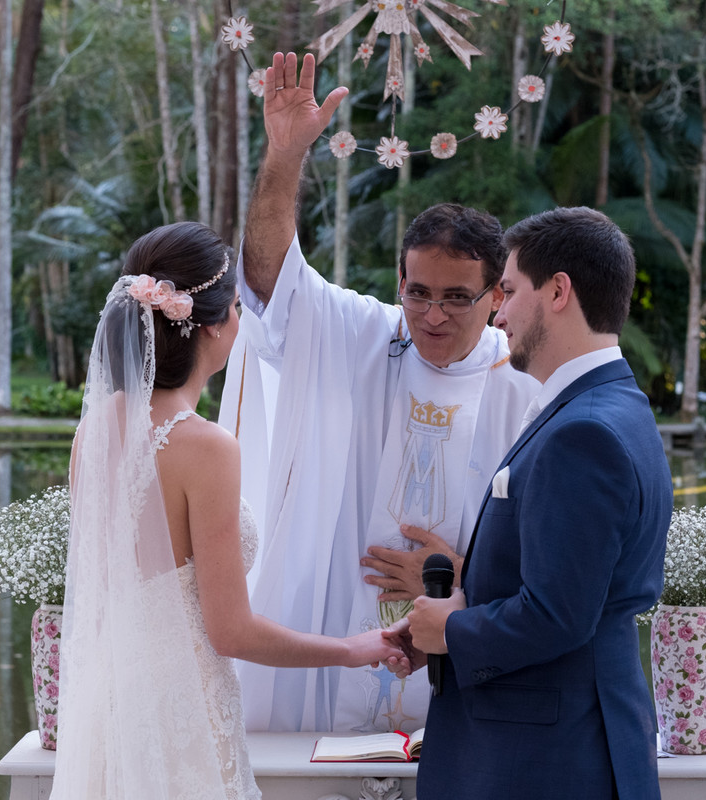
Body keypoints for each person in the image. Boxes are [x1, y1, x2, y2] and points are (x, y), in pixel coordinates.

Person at [219, 52, 539, 734]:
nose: (432, 315)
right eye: (418, 293)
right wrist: (283, 155)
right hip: (340, 629)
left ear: (496, 296)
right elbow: (272, 275)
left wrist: (464, 574)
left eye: (458, 298)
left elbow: (554, 563)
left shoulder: (522, 385)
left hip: (464, 662)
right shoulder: (365, 334)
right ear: (399, 284)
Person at [49, 222, 405, 800]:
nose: (241, 318)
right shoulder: (206, 447)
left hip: (111, 706)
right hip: (179, 712)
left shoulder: (94, 430)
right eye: (238, 304)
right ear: (212, 324)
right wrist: (352, 649)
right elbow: (230, 631)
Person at [390, 206, 673, 799]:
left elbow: (558, 614)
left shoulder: (583, 432)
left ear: (559, 291)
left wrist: (455, 630)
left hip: (549, 759)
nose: (501, 310)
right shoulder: (615, 405)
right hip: (569, 736)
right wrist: (460, 608)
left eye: (511, 291)